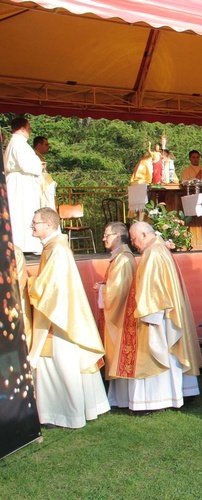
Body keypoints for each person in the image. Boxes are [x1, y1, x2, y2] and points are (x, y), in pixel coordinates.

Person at [27, 207, 110, 428]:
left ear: (48, 225)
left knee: (63, 366)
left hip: (59, 317)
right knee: (65, 366)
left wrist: (27, 283)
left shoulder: (57, 250)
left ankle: (67, 414)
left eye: (35, 223)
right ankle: (76, 410)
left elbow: (48, 289)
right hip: (62, 313)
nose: (32, 226)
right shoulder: (55, 247)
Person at [111, 221, 202, 412]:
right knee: (170, 356)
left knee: (157, 353)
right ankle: (176, 393)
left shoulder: (153, 253)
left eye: (135, 239)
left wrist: (148, 316)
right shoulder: (159, 249)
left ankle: (157, 399)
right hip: (165, 314)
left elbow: (152, 290)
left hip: (157, 316)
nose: (134, 243)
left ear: (144, 234)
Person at [96, 222, 137, 408]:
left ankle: (122, 398)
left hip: (121, 318)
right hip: (117, 316)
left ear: (118, 236)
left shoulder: (124, 259)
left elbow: (119, 292)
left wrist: (103, 289)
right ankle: (117, 397)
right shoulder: (118, 258)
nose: (104, 238)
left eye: (107, 235)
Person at [3, 116, 45, 254]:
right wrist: (39, 166)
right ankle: (24, 245)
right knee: (23, 212)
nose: (29, 131)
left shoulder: (15, 143)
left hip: (20, 182)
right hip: (21, 184)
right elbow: (27, 165)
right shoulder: (19, 144)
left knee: (20, 212)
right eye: (28, 128)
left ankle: (22, 244)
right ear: (22, 128)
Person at [32, 136, 58, 215]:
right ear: (39, 145)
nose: (48, 147)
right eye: (46, 145)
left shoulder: (39, 156)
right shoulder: (34, 156)